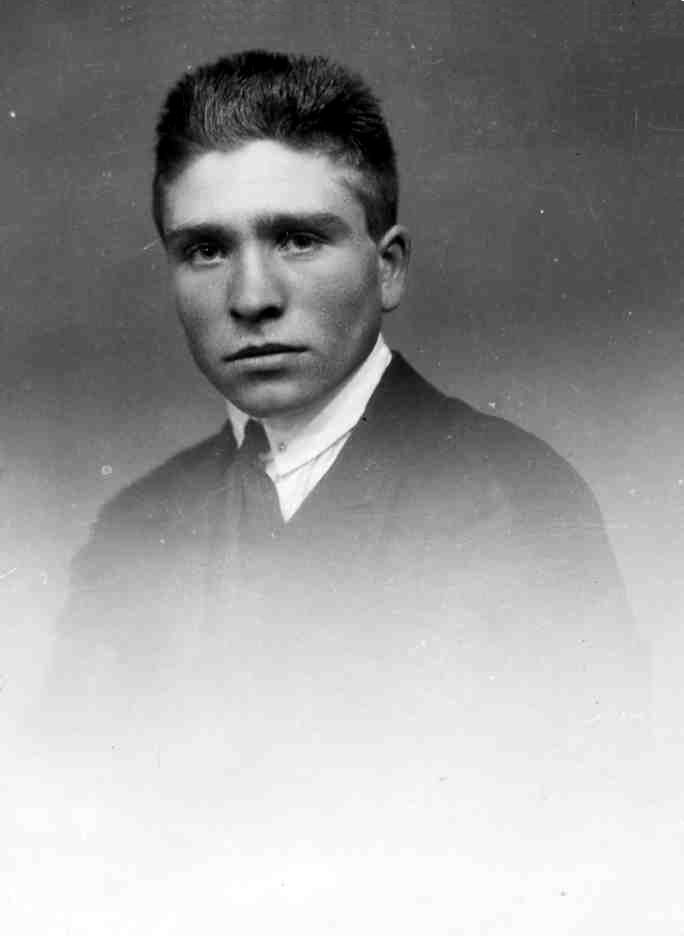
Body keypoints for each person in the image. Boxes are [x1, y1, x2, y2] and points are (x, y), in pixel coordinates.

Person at [44, 49, 649, 882]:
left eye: (298, 239)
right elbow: (59, 842)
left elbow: (601, 848)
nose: (252, 297)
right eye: (206, 250)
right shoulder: (132, 530)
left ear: (387, 267)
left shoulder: (515, 504)